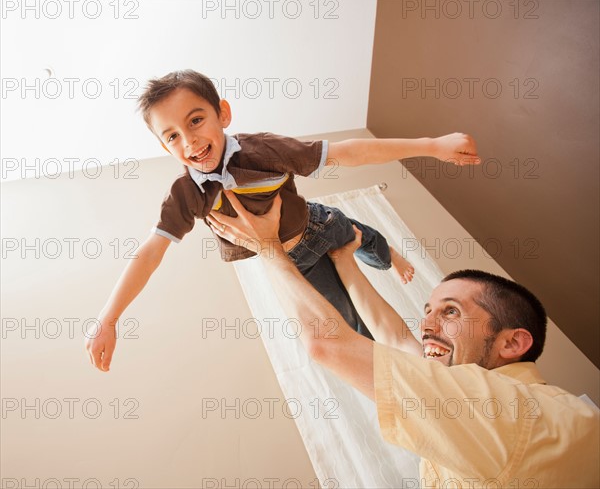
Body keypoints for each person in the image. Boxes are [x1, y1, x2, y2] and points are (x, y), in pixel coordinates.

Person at [86, 69, 480, 370]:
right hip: (296, 262)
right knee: (348, 327)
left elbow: (347, 152)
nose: (188, 141)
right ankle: (413, 378)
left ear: (222, 113)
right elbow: (151, 252)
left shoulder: (263, 149)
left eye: (195, 121)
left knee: (367, 241)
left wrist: (432, 146)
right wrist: (109, 318)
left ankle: (388, 254)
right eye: (171, 136)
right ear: (162, 146)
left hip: (319, 224)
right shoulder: (186, 194)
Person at [208, 190, 600, 488]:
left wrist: (268, 250)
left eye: (450, 312)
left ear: (512, 344)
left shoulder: (515, 412)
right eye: (428, 310)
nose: (427, 325)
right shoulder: (489, 403)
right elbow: (396, 337)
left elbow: (326, 344)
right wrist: (345, 261)